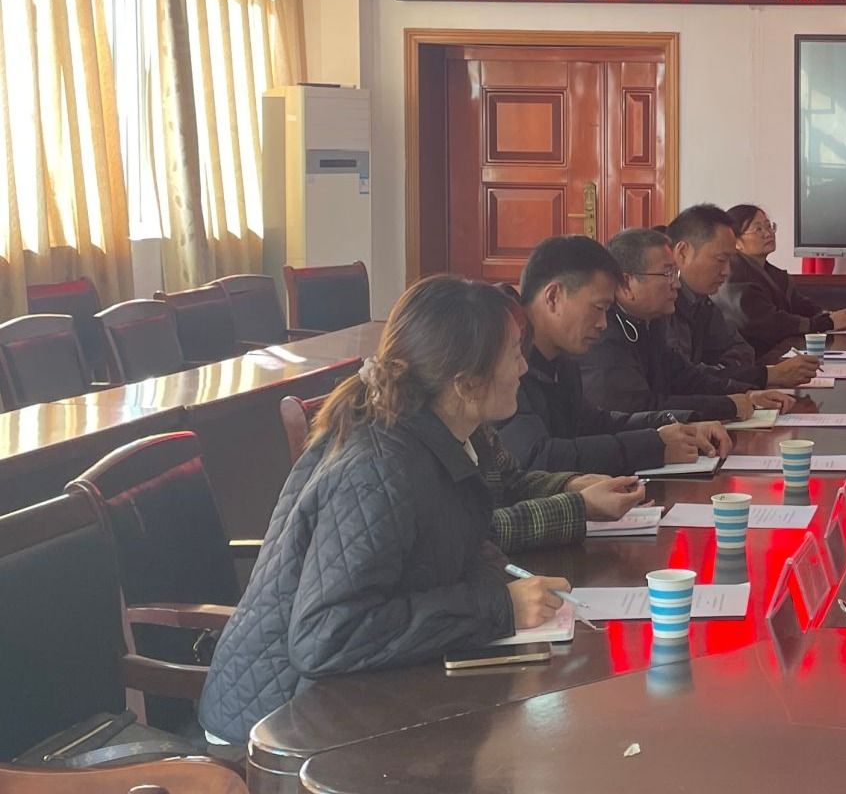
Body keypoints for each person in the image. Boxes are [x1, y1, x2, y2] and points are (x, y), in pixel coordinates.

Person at [199, 277, 571, 744]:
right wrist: (498, 607)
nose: (523, 367)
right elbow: (326, 636)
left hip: (347, 694)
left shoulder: (442, 437)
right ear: (465, 383)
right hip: (279, 723)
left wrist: (504, 588)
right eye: (514, 354)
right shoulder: (381, 467)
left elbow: (451, 550)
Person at [498, 235, 731, 475]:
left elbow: (595, 424)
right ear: (553, 297)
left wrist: (682, 426)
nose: (603, 323)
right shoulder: (499, 357)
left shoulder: (560, 359)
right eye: (598, 308)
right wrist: (654, 446)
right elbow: (536, 457)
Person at [586, 227, 794, 425]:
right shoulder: (602, 334)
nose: (676, 284)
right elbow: (638, 407)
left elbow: (684, 377)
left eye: (676, 273)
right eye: (667, 274)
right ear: (626, 284)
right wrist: (725, 406)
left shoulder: (650, 321)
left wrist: (747, 393)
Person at [666, 204, 819, 390]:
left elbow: (741, 349)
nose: (726, 271)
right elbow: (683, 378)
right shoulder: (662, 306)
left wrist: (725, 374)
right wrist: (760, 376)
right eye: (721, 260)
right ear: (683, 252)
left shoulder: (702, 301)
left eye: (730, 260)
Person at [474, 423, 646, 553]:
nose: (518, 388)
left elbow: (511, 483)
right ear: (467, 388)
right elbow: (478, 533)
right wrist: (580, 505)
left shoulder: (479, 430)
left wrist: (570, 485)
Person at [715, 204, 846, 356]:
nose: (768, 233)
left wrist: (828, 314)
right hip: (750, 360)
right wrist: (827, 322)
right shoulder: (733, 275)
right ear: (736, 242)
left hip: (776, 352)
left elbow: (798, 305)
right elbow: (769, 322)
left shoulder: (772, 273)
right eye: (758, 229)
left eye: (768, 226)